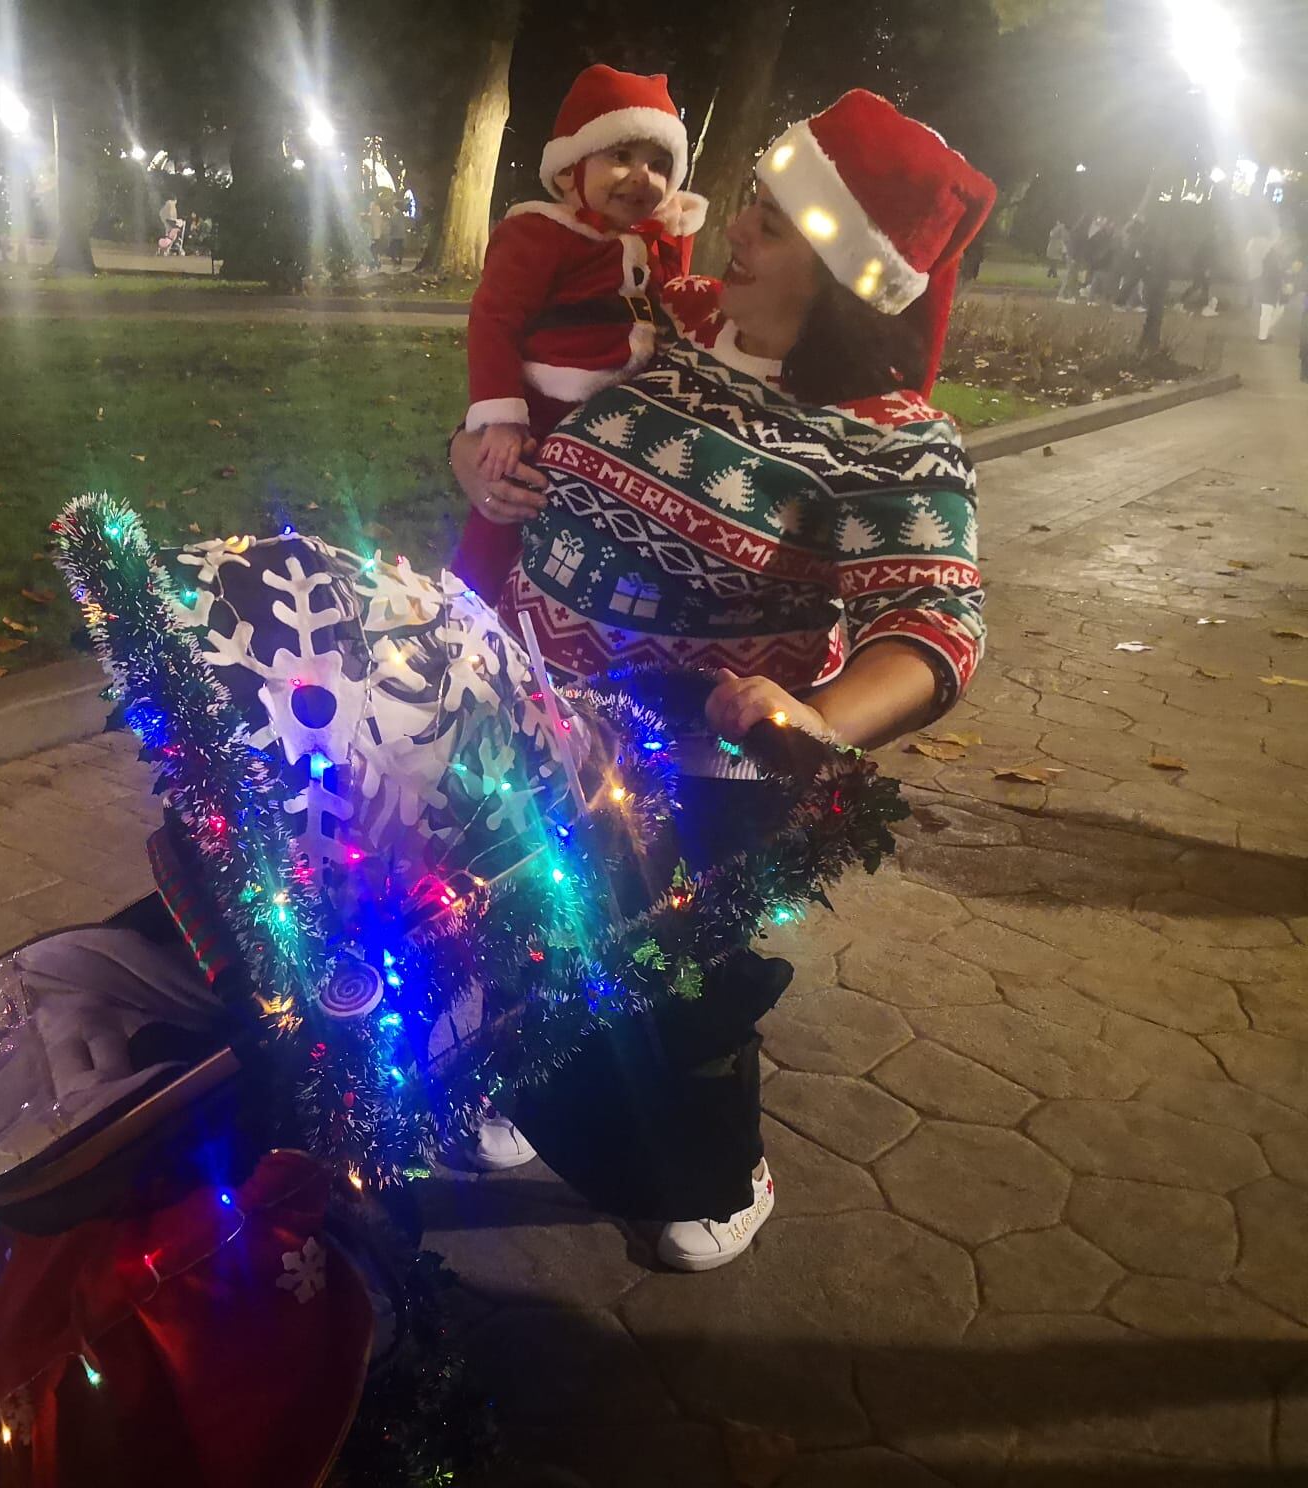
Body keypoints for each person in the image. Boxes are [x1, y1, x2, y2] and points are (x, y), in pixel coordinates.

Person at [449, 89, 991, 1270]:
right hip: (537, 711)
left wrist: (822, 720)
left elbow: (934, 620)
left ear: (848, 273)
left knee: (665, 987)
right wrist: (476, 457)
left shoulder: (887, 439)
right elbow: (519, 369)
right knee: (510, 922)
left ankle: (716, 1170)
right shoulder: (675, 321)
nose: (731, 231)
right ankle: (516, 1085)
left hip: (694, 770)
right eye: (746, 203)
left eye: (773, 222)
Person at [453, 64, 707, 599]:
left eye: (660, 166)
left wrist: (675, 235)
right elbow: (495, 318)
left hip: (620, 418)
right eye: (621, 157)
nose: (643, 177)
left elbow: (673, 299)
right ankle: (468, 614)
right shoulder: (540, 232)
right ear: (571, 170)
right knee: (508, 507)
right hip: (545, 405)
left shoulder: (644, 242)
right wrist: (499, 416)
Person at [1256, 240, 1285, 342]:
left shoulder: (1273, 257)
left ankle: (1264, 334)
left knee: (1275, 311)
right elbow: (1273, 274)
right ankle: (1262, 337)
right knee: (1267, 313)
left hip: (1269, 289)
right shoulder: (1272, 258)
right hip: (1268, 289)